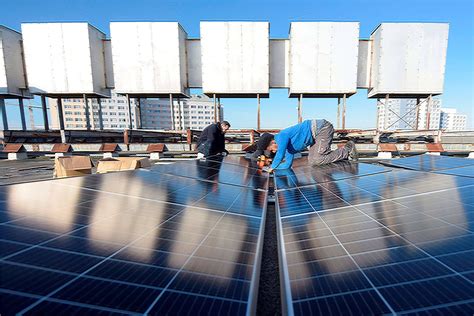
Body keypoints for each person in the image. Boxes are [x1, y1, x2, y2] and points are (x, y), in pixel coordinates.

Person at [265, 119, 358, 172]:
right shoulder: (288, 149)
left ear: (272, 142)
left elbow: (279, 155)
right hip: (315, 137)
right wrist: (275, 169)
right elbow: (287, 165)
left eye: (271, 149)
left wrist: (272, 167)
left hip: (322, 129)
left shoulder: (281, 136)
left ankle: (347, 149)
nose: (274, 151)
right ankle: (341, 155)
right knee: (313, 161)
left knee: (318, 159)